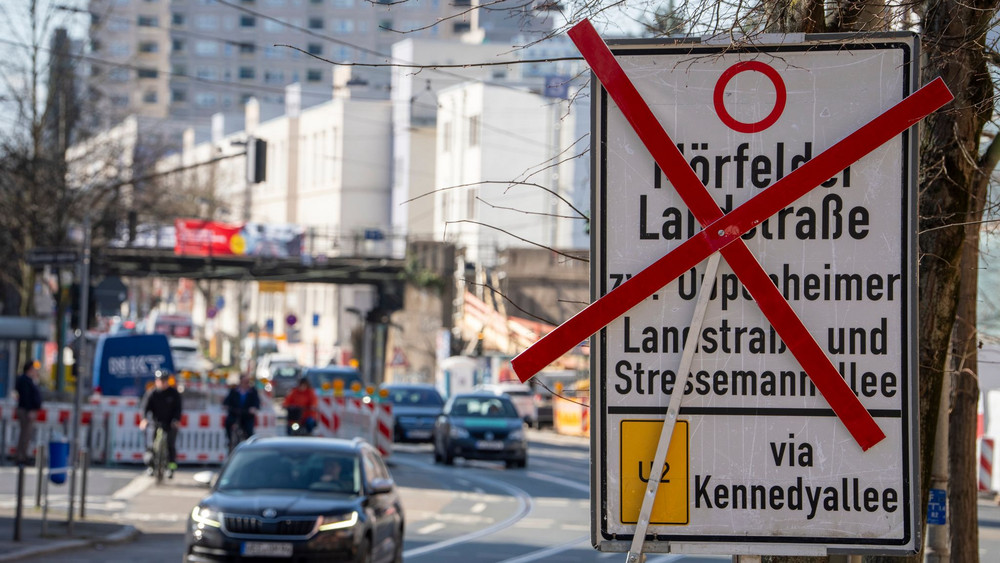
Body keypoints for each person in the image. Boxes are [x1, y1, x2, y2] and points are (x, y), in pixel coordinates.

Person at [140, 371, 182, 478]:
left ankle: (171, 468)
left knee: (170, 444)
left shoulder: (173, 393)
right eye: (160, 381)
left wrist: (176, 420)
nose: (163, 383)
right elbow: (145, 407)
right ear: (156, 381)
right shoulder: (152, 393)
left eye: (165, 381)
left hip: (170, 423)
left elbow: (178, 409)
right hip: (155, 422)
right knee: (151, 444)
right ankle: (151, 466)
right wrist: (144, 419)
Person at [14, 360, 43, 465]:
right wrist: (30, 409)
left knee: (26, 434)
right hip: (26, 411)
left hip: (27, 409)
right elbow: (26, 397)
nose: (36, 371)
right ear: (30, 369)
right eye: (34, 369)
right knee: (25, 434)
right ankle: (21, 457)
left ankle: (22, 455)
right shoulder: (25, 380)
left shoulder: (30, 380)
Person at [223, 376, 261, 449]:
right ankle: (229, 440)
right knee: (228, 423)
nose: (245, 384)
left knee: (249, 429)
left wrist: (254, 408)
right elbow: (227, 401)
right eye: (244, 382)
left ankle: (249, 445)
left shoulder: (252, 391)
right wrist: (226, 405)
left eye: (247, 382)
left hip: (247, 415)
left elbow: (257, 402)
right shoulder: (234, 390)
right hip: (235, 413)